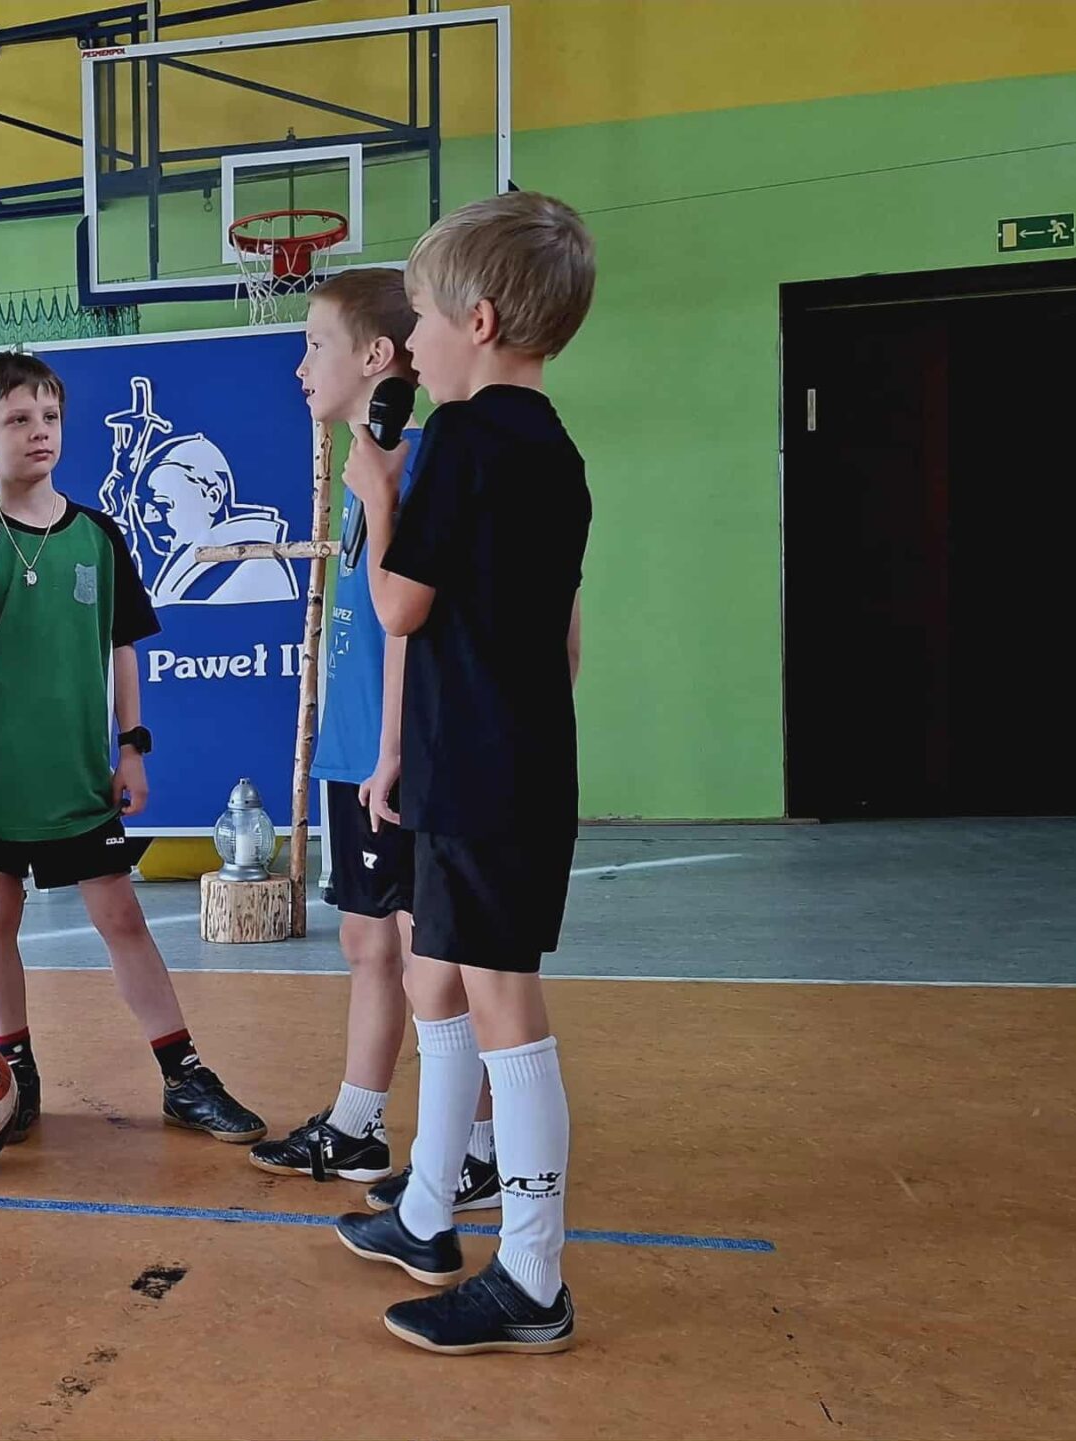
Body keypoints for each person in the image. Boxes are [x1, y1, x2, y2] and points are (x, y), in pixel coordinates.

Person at [331, 191, 595, 1355]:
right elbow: (564, 635)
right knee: (434, 967)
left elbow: (398, 604)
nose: (414, 345)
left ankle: (531, 1275)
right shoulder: (555, 450)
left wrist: (377, 494)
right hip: (497, 759)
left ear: (476, 322)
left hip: (482, 773)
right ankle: (428, 1210)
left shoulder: (464, 441)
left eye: (424, 321)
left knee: (500, 1005)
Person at [0, 349, 267, 1149]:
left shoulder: (99, 537)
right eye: (17, 419)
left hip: (79, 779)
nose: (39, 431)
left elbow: (123, 647)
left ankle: (183, 1075)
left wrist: (132, 747)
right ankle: (13, 1070)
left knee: (122, 916)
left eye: (49, 416)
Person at [249, 269, 501, 1216]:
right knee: (366, 939)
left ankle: (475, 1144)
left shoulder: (416, 461)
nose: (301, 364)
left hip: (390, 756)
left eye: (315, 344)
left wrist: (392, 749)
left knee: (428, 955)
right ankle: (358, 1123)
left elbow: (408, 625)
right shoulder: (366, 464)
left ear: (376, 356)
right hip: (355, 747)